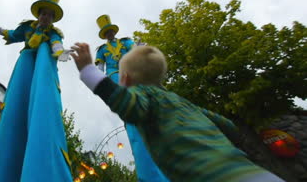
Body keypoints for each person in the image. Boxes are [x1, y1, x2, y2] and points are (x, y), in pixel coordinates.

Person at [71, 43, 285, 182]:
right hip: (250, 171)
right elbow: (228, 126)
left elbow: (128, 106)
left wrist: (89, 71)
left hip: (207, 175)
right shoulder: (183, 102)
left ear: (124, 80)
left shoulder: (144, 97)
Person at [0, 0, 72, 182]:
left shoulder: (53, 33)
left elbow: (56, 44)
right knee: (17, 105)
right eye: (44, 13)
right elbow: (10, 33)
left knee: (43, 89)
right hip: (27, 65)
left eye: (50, 15)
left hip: (43, 65)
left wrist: (61, 52)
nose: (46, 17)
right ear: (39, 15)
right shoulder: (28, 28)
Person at [94, 15, 168, 182]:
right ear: (104, 34)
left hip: (131, 73)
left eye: (111, 31)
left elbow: (135, 52)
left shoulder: (126, 42)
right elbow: (99, 67)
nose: (110, 34)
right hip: (114, 77)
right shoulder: (101, 50)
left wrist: (141, 49)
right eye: (106, 32)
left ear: (114, 31)